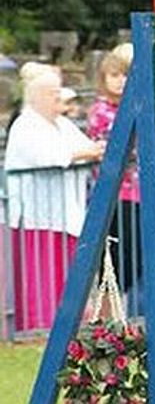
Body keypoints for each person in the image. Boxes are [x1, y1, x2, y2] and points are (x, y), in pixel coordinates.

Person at [5, 64, 104, 330]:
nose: (58, 99)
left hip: (64, 212)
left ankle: (68, 324)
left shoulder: (62, 124)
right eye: (52, 94)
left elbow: (84, 145)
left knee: (67, 273)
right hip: (38, 217)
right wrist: (88, 153)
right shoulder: (25, 125)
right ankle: (40, 324)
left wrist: (94, 149)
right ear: (36, 96)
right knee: (41, 275)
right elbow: (49, 156)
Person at [85, 44, 144, 314]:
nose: (119, 82)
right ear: (104, 79)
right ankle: (104, 318)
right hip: (113, 193)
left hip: (136, 190)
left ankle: (116, 316)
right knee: (114, 262)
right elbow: (118, 144)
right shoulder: (101, 111)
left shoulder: (134, 107)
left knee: (136, 258)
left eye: (124, 76)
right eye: (114, 76)